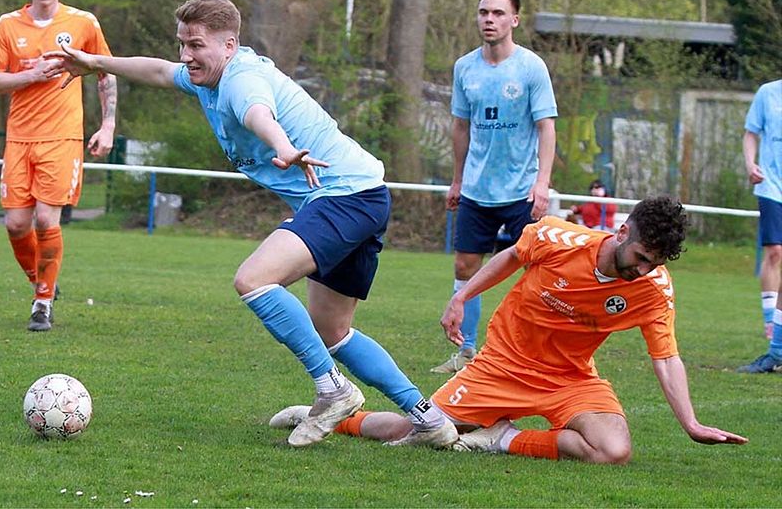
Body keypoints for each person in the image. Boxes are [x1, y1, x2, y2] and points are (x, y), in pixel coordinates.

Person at [48, 0, 457, 448]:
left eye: (196, 45)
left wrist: (282, 147)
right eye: (183, 43)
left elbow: (257, 113)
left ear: (229, 44)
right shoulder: (207, 77)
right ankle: (429, 418)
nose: (186, 55)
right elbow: (160, 71)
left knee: (254, 280)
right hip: (363, 195)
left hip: (345, 197)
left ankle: (333, 390)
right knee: (333, 330)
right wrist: (92, 60)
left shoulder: (242, 80)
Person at [271, 196, 748, 462]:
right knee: (409, 428)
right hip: (500, 368)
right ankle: (332, 415)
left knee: (612, 450)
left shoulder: (654, 288)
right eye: (641, 258)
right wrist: (462, 295)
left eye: (654, 264)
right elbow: (512, 256)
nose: (643, 271)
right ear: (623, 232)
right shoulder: (558, 237)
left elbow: (666, 357)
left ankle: (502, 439)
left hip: (571, 380)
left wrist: (691, 423)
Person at [0, 0, 117, 332]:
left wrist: (107, 125)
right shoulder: (7, 26)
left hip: (62, 137)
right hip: (19, 138)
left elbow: (106, 73)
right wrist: (32, 75)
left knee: (45, 217)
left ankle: (42, 302)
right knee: (16, 224)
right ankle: (43, 283)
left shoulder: (83, 23)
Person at [431, 0, 557, 374]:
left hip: (521, 190)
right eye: (484, 12)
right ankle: (466, 353)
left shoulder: (531, 67)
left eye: (499, 13)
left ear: (514, 20)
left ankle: (532, 353)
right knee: (466, 266)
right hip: (476, 190)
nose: (489, 19)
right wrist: (456, 180)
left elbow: (546, 127)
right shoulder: (464, 67)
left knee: (534, 269)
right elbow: (460, 127)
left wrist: (542, 183)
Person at [738, 79, 782, 372]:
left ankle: (777, 348)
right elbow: (750, 134)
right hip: (772, 187)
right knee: (776, 252)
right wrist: (750, 164)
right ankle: (772, 326)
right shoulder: (768, 93)